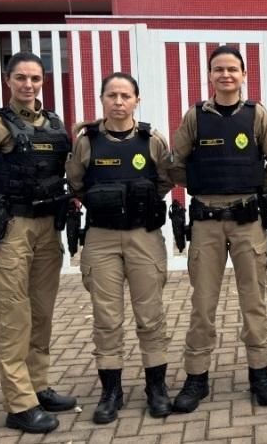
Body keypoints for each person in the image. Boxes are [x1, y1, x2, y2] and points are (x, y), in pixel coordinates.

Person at [0, 51, 75, 434]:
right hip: (12, 229)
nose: (28, 85)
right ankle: (19, 404)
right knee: (13, 316)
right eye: (21, 78)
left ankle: (37, 386)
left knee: (41, 312)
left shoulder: (54, 123)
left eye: (35, 78)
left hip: (46, 229)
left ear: (43, 81)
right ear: (8, 81)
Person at [168, 46, 267, 410]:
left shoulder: (257, 115)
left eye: (232, 69)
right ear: (209, 75)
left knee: (254, 301)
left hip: (247, 220)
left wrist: (252, 188)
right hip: (205, 220)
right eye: (218, 69)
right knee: (202, 303)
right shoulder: (194, 117)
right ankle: (196, 377)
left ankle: (259, 371)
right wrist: (205, 186)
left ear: (243, 75)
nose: (225, 75)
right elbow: (176, 163)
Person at [65, 72, 174, 424]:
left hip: (143, 235)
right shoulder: (88, 141)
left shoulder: (152, 139)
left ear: (136, 100)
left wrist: (138, 203)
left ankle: (156, 388)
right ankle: (111, 391)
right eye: (111, 95)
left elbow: (165, 179)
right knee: (107, 318)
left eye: (125, 95)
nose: (118, 101)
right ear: (102, 100)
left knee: (150, 315)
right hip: (101, 237)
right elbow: (76, 182)